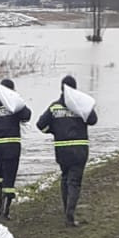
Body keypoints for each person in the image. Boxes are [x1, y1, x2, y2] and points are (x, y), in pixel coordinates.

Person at [36, 76, 98, 225]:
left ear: (61, 88)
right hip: (79, 148)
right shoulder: (81, 105)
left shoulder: (54, 107)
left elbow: (41, 125)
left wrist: (54, 131)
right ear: (74, 88)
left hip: (62, 149)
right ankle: (70, 212)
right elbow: (93, 120)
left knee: (65, 178)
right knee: (74, 181)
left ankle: (66, 209)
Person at [0, 79, 31, 218]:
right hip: (12, 146)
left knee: (0, 173)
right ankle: (5, 210)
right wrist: (19, 101)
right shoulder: (13, 106)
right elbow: (27, 116)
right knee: (10, 177)